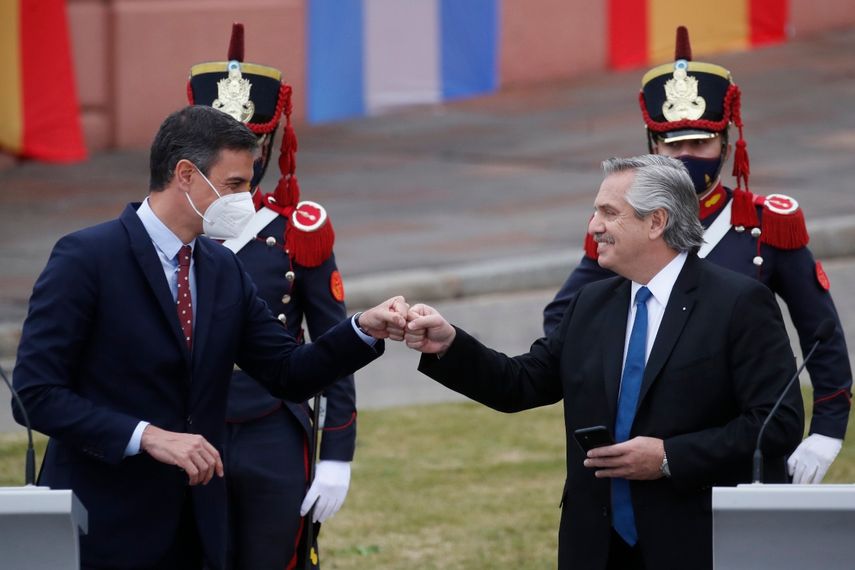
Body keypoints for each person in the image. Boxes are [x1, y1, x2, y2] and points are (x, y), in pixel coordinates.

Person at [11, 104, 408, 570]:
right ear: (185, 174)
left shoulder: (221, 269)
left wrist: (361, 330)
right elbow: (35, 396)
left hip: (197, 527)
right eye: (235, 184)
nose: (245, 200)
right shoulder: (87, 258)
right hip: (106, 523)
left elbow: (286, 372)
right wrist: (147, 436)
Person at [405, 155, 804, 570]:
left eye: (609, 213)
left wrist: (670, 456)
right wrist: (448, 344)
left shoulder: (737, 303)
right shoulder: (591, 303)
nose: (594, 226)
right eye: (595, 212)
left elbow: (777, 422)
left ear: (656, 222)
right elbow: (520, 383)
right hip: (596, 545)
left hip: (693, 541)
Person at [543, 26, 851, 485]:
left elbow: (821, 333)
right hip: (650, 448)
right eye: (674, 145)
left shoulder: (767, 224)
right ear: (653, 147)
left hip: (737, 443)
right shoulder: (624, 224)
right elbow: (564, 322)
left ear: (725, 144)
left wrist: (827, 430)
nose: (688, 156)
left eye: (701, 143)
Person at [187, 24, 355, 569]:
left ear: (267, 146)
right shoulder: (170, 230)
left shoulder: (296, 231)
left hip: (271, 428)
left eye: (251, 144)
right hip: (187, 423)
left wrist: (336, 455)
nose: (239, 158)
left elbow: (334, 346)